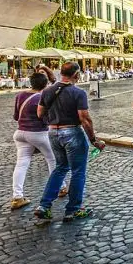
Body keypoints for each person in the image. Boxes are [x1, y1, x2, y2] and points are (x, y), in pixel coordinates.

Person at [33, 62, 104, 223]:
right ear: (76, 75)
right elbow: (84, 119)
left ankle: (44, 206)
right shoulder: (78, 92)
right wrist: (94, 140)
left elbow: (39, 113)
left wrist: (52, 121)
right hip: (72, 132)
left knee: (60, 168)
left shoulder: (47, 91)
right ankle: (73, 209)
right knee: (78, 171)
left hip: (53, 132)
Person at [10, 71, 67, 210]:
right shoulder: (43, 97)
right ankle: (62, 187)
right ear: (45, 84)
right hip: (38, 133)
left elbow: (16, 116)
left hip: (20, 133)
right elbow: (47, 118)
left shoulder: (20, 95)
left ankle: (17, 196)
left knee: (21, 164)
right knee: (53, 160)